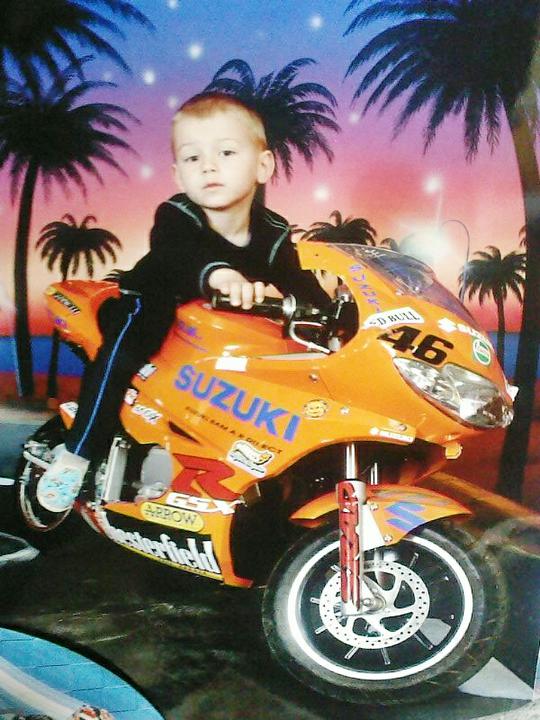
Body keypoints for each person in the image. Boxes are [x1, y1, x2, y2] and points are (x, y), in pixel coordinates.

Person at [36, 92, 330, 514]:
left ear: (263, 165)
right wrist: (219, 275)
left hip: (213, 326)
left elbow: (296, 277)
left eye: (226, 152)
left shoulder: (274, 231)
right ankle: (76, 454)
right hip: (154, 300)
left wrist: (335, 313)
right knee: (124, 350)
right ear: (178, 174)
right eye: (193, 158)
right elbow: (179, 254)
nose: (208, 166)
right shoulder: (176, 215)